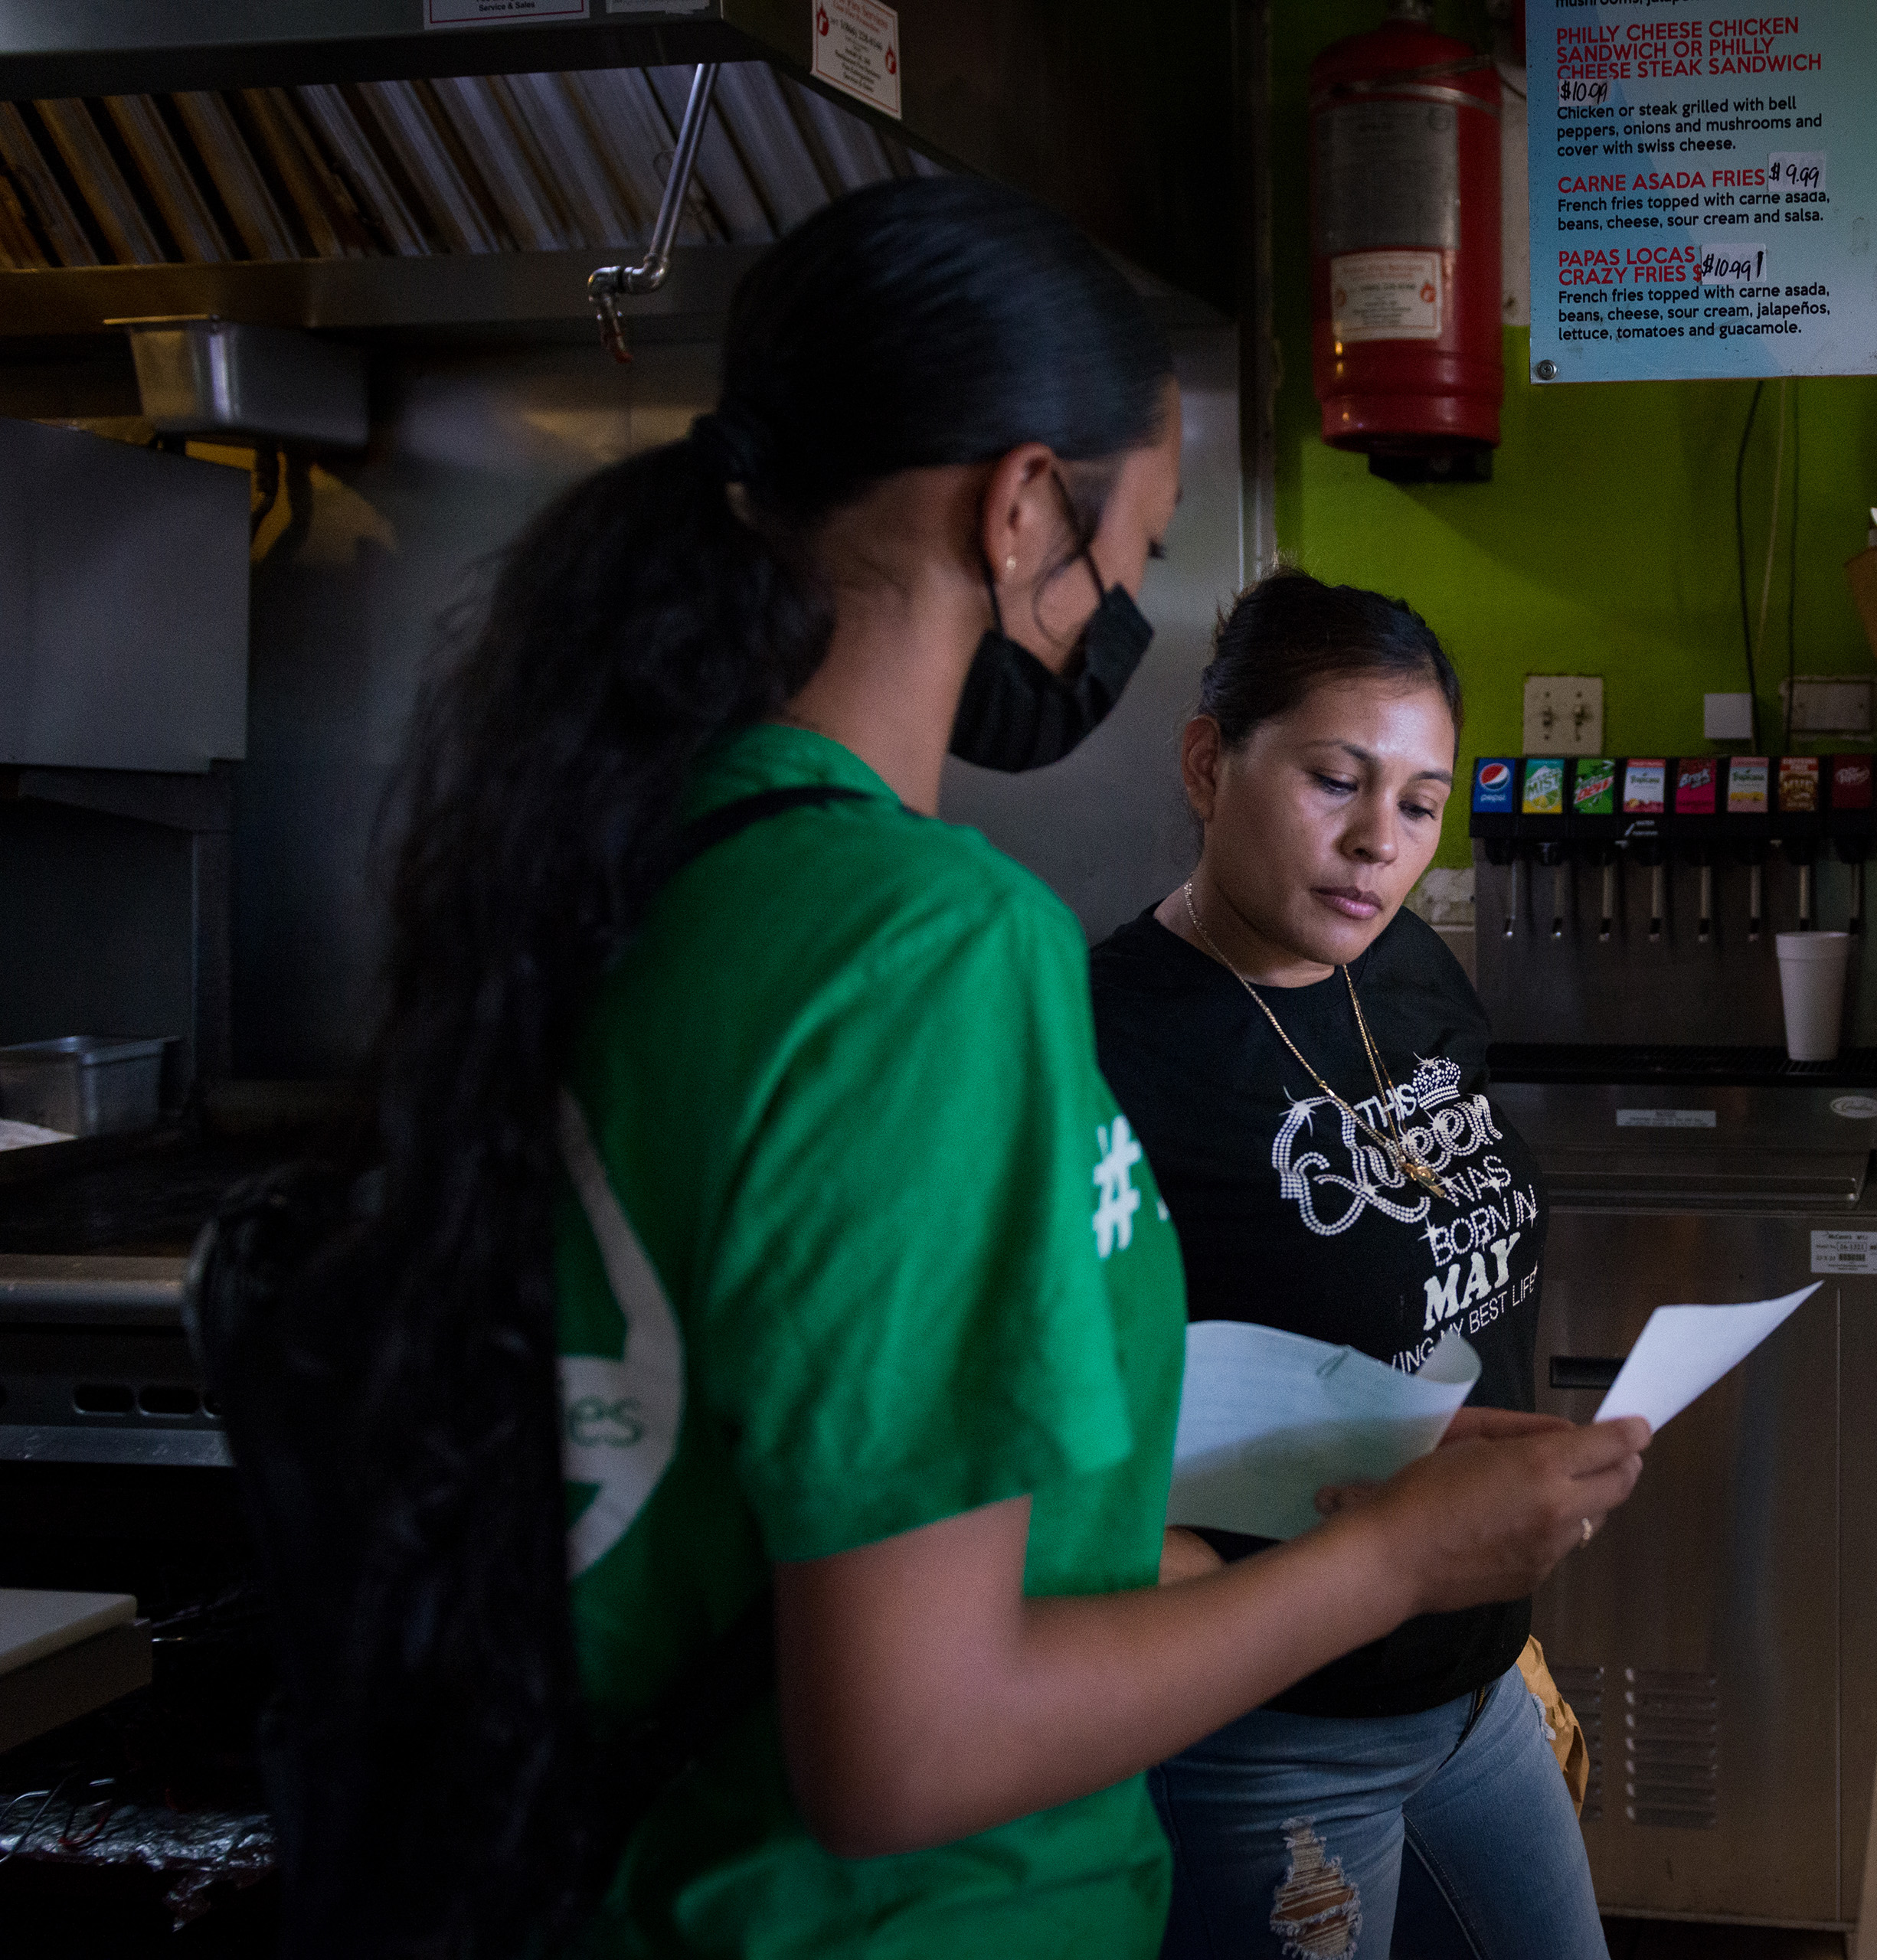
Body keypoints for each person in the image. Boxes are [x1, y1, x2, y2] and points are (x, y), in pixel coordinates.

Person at [209, 178, 1644, 1960]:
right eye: (1138, 548)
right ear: (1024, 503)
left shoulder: (646, 854)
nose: (1121, 603)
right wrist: (1392, 1560)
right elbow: (909, 1743)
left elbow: (805, 1491)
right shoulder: (925, 945)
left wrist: (1203, 1561)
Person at [1087, 570, 1608, 1960]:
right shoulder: (1102, 1045)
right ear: (1210, 762)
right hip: (1273, 1739)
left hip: (1475, 1688)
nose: (1382, 843)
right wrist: (1161, 1562)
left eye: (1423, 806)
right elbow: (1016, 1429)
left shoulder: (1413, 978)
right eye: (1337, 780)